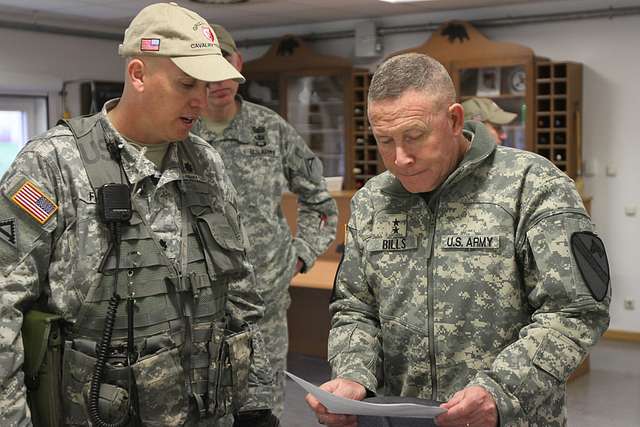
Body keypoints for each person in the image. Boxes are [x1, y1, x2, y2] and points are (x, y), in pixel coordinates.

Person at [0, 3, 279, 426]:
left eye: (207, 86)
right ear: (138, 74)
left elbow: (240, 290)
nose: (201, 101)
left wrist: (255, 403)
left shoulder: (204, 162)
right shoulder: (52, 163)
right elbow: (4, 307)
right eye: (187, 84)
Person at [306, 53, 610, 427]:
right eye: (385, 141)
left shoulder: (532, 187)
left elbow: (574, 311)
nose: (400, 158)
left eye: (414, 136)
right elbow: (356, 309)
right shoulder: (373, 201)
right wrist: (354, 375)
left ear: (453, 120)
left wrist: (500, 392)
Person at [191, 24, 338, 417]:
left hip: (264, 296)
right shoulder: (181, 131)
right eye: (208, 67)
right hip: (197, 297)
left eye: (226, 64)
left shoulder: (270, 130)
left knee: (263, 402)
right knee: (200, 400)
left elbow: (321, 203)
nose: (219, 79)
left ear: (238, 64)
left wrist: (300, 255)